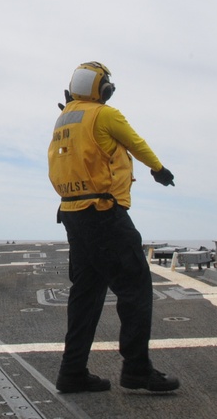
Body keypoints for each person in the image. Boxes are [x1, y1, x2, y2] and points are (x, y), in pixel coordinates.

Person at [48, 61, 180, 394]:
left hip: (73, 214)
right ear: (103, 89)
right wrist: (159, 169)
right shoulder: (104, 114)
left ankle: (72, 371)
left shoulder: (65, 118)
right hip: (104, 212)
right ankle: (137, 370)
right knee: (136, 287)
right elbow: (136, 143)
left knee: (86, 293)